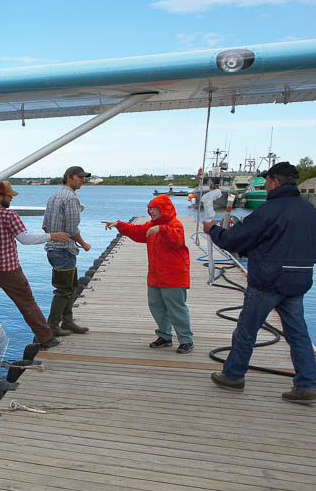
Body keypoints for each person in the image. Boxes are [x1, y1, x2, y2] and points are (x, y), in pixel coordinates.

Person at [203, 161, 316, 403]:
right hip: (298, 281)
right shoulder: (309, 212)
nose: (264, 186)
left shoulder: (268, 211)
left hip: (268, 282)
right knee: (298, 334)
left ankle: (233, 375)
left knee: (246, 329)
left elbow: (235, 240)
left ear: (275, 181)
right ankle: (307, 384)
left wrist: (212, 231)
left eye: (266, 181)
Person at [0, 181, 70, 358]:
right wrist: (52, 236)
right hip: (10, 271)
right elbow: (24, 239)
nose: (11, 198)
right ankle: (46, 339)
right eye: (9, 195)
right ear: (0, 196)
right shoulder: (10, 215)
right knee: (27, 304)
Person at [103, 195, 193, 353]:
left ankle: (186, 340)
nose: (151, 211)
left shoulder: (175, 224)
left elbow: (176, 240)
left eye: (154, 208)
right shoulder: (152, 225)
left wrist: (161, 229)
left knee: (177, 309)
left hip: (174, 276)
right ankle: (165, 336)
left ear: (163, 209)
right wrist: (119, 224)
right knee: (156, 306)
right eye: (150, 208)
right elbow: (137, 231)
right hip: (155, 275)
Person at [42, 165, 92, 336]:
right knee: (63, 289)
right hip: (64, 250)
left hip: (54, 249)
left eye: (83, 178)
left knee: (71, 286)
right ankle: (53, 325)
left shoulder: (54, 196)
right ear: (69, 177)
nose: (82, 181)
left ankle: (68, 321)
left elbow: (45, 226)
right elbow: (72, 229)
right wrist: (84, 244)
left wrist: (53, 235)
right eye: (79, 177)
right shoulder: (71, 199)